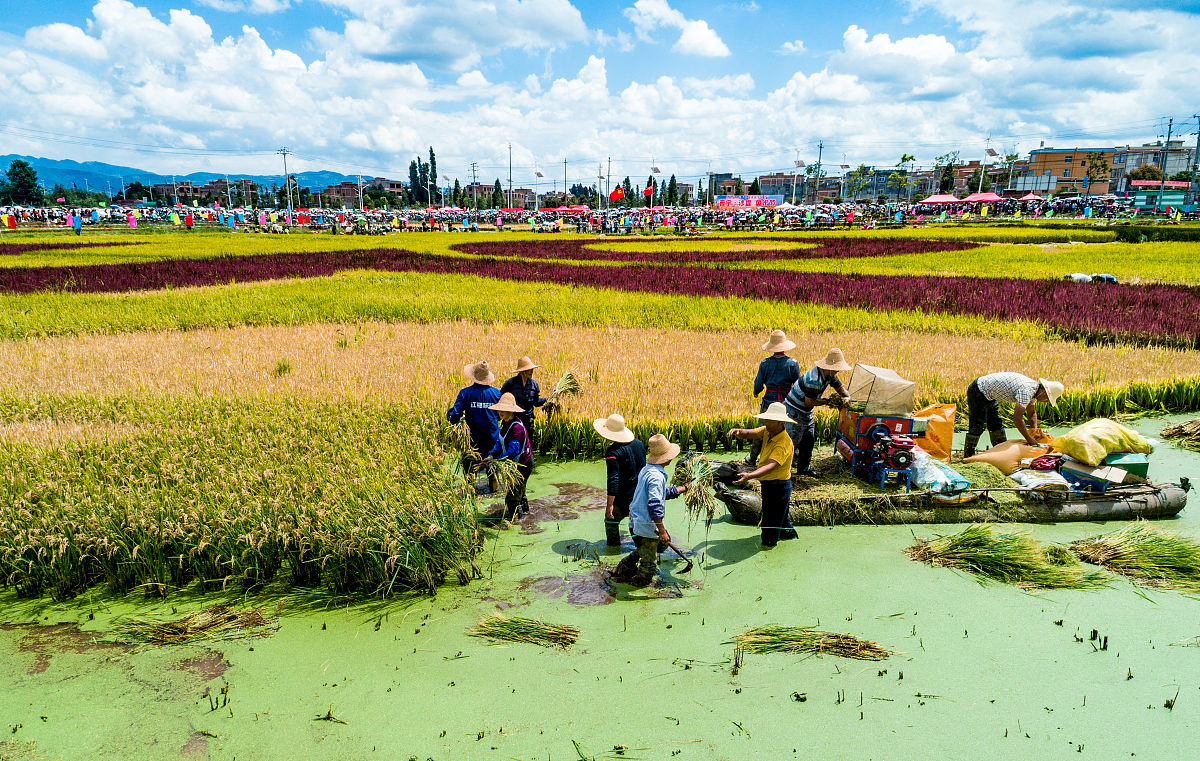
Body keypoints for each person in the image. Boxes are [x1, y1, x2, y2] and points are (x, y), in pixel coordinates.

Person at [613, 434, 688, 586]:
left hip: (636, 521)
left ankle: (625, 565)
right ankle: (637, 584)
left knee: (658, 545)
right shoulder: (656, 477)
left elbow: (662, 493)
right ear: (666, 457)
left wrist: (684, 488)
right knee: (648, 566)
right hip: (646, 525)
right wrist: (662, 530)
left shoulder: (648, 469)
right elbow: (654, 505)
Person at [727, 403, 799, 548]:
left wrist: (749, 475)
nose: (766, 422)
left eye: (770, 420)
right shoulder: (767, 431)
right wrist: (738, 431)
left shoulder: (783, 443)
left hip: (779, 487)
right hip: (768, 484)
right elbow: (751, 433)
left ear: (780, 423)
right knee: (781, 518)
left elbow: (770, 466)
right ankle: (790, 537)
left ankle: (769, 543)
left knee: (770, 522)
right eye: (766, 419)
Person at [783, 348, 852, 478]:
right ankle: (783, 471)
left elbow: (840, 388)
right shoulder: (814, 380)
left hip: (806, 411)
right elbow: (809, 402)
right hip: (794, 411)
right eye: (837, 368)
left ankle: (804, 469)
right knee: (792, 442)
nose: (838, 370)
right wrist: (829, 402)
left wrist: (847, 397)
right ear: (829, 367)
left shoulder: (830, 375)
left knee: (808, 440)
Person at [964, 373, 1064, 457]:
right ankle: (968, 455)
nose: (1045, 401)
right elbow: (1017, 418)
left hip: (989, 394)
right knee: (978, 425)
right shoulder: (1027, 391)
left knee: (996, 423)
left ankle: (1000, 453)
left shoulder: (1035, 393)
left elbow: (1031, 414)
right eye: (1047, 399)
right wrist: (1029, 438)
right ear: (1044, 392)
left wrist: (1035, 431)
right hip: (979, 389)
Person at [748, 329, 800, 467]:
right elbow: (797, 384)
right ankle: (792, 459)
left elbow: (758, 383)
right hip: (787, 400)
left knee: (762, 428)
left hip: (769, 399)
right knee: (788, 429)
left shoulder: (765, 363)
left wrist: (756, 392)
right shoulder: (793, 363)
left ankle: (752, 458)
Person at [447, 361, 502, 490]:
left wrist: (452, 419)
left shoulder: (465, 393)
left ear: (474, 376)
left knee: (469, 473)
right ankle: (494, 493)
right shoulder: (496, 393)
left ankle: (470, 495)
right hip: (492, 438)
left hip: (472, 440)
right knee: (493, 472)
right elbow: (501, 415)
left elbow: (455, 415)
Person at [594, 413, 646, 547]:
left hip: (623, 497)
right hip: (640, 494)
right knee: (635, 524)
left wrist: (609, 505)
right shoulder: (639, 444)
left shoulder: (613, 452)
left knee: (611, 520)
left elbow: (613, 479)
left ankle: (613, 547)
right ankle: (641, 547)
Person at [483, 392, 534, 522]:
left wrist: (499, 460)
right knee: (519, 493)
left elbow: (513, 450)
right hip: (513, 464)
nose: (500, 412)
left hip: (523, 465)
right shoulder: (504, 423)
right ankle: (527, 516)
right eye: (500, 409)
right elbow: (499, 443)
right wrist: (492, 455)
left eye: (504, 410)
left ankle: (517, 522)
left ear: (511, 411)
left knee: (512, 497)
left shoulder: (516, 427)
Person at [500, 357, 547, 452]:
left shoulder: (534, 384)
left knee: (526, 445)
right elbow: (502, 398)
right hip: (513, 419)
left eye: (532, 369)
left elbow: (536, 402)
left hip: (528, 420)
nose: (531, 371)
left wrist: (546, 400)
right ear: (522, 371)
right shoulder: (511, 383)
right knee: (511, 444)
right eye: (529, 370)